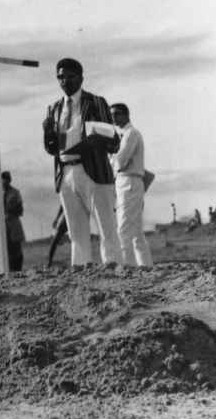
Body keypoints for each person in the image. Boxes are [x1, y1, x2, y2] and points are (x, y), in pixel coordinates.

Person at [42, 58, 122, 266]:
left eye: (70, 76)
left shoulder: (95, 102)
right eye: (61, 77)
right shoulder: (54, 108)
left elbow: (113, 140)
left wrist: (96, 139)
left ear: (81, 78)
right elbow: (52, 148)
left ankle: (115, 271)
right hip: (66, 173)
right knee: (76, 233)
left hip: (93, 171)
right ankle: (82, 272)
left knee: (107, 228)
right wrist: (48, 134)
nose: (65, 81)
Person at [110, 103, 154, 267]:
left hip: (129, 181)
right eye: (111, 115)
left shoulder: (131, 134)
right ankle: (145, 265)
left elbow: (120, 162)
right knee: (135, 231)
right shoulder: (124, 135)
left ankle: (126, 266)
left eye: (116, 114)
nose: (113, 118)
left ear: (126, 115)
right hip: (127, 181)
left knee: (123, 228)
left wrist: (111, 154)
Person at [1, 171, 26, 272]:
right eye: (3, 179)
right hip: (2, 225)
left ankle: (18, 270)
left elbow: (20, 210)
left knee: (16, 249)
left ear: (9, 180)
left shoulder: (15, 193)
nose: (4, 181)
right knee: (5, 249)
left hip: (13, 222)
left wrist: (9, 209)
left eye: (6, 179)